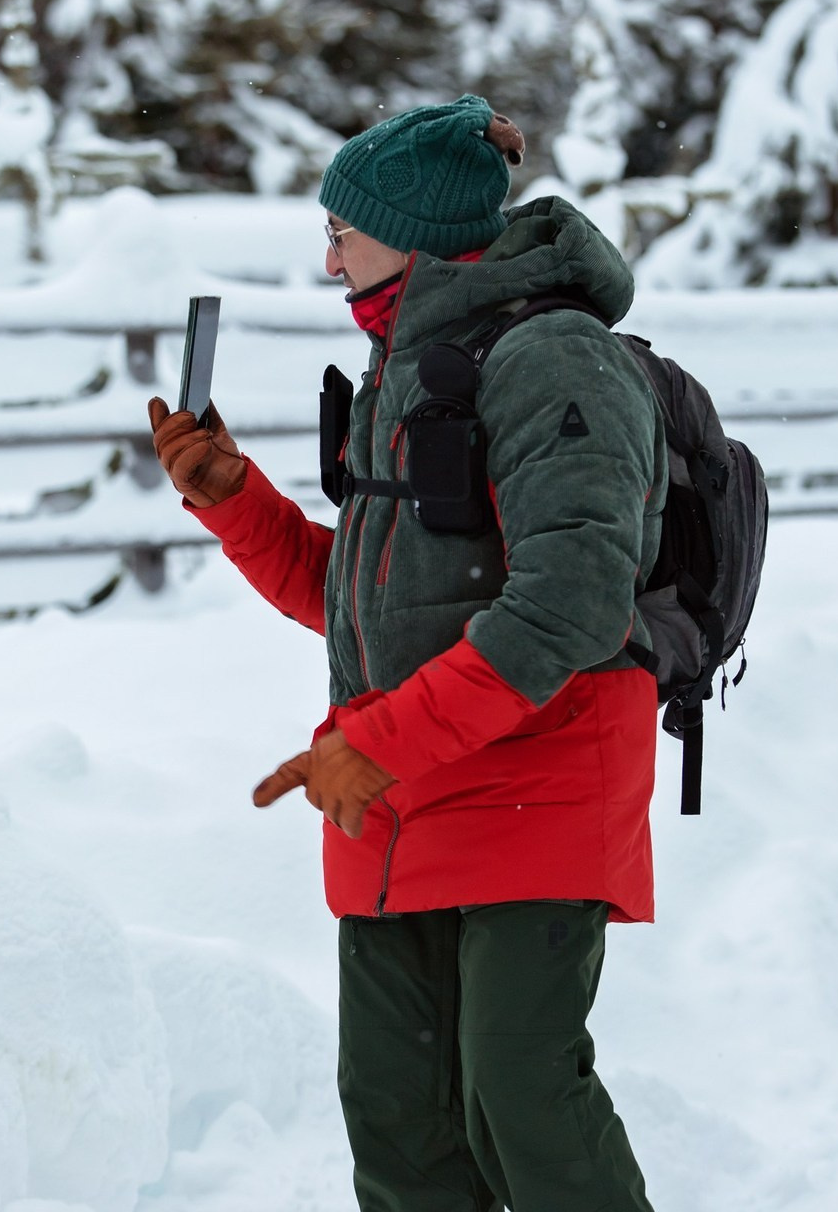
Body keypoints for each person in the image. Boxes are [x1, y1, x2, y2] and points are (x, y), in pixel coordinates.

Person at [148, 93, 666, 1212]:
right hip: (404, 787)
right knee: (398, 1118)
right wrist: (234, 500)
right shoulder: (406, 358)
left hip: (537, 781)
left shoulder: (553, 359)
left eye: (342, 225)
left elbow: (568, 606)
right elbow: (372, 608)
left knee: (520, 1095)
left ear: (418, 231)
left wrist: (375, 742)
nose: (325, 250)